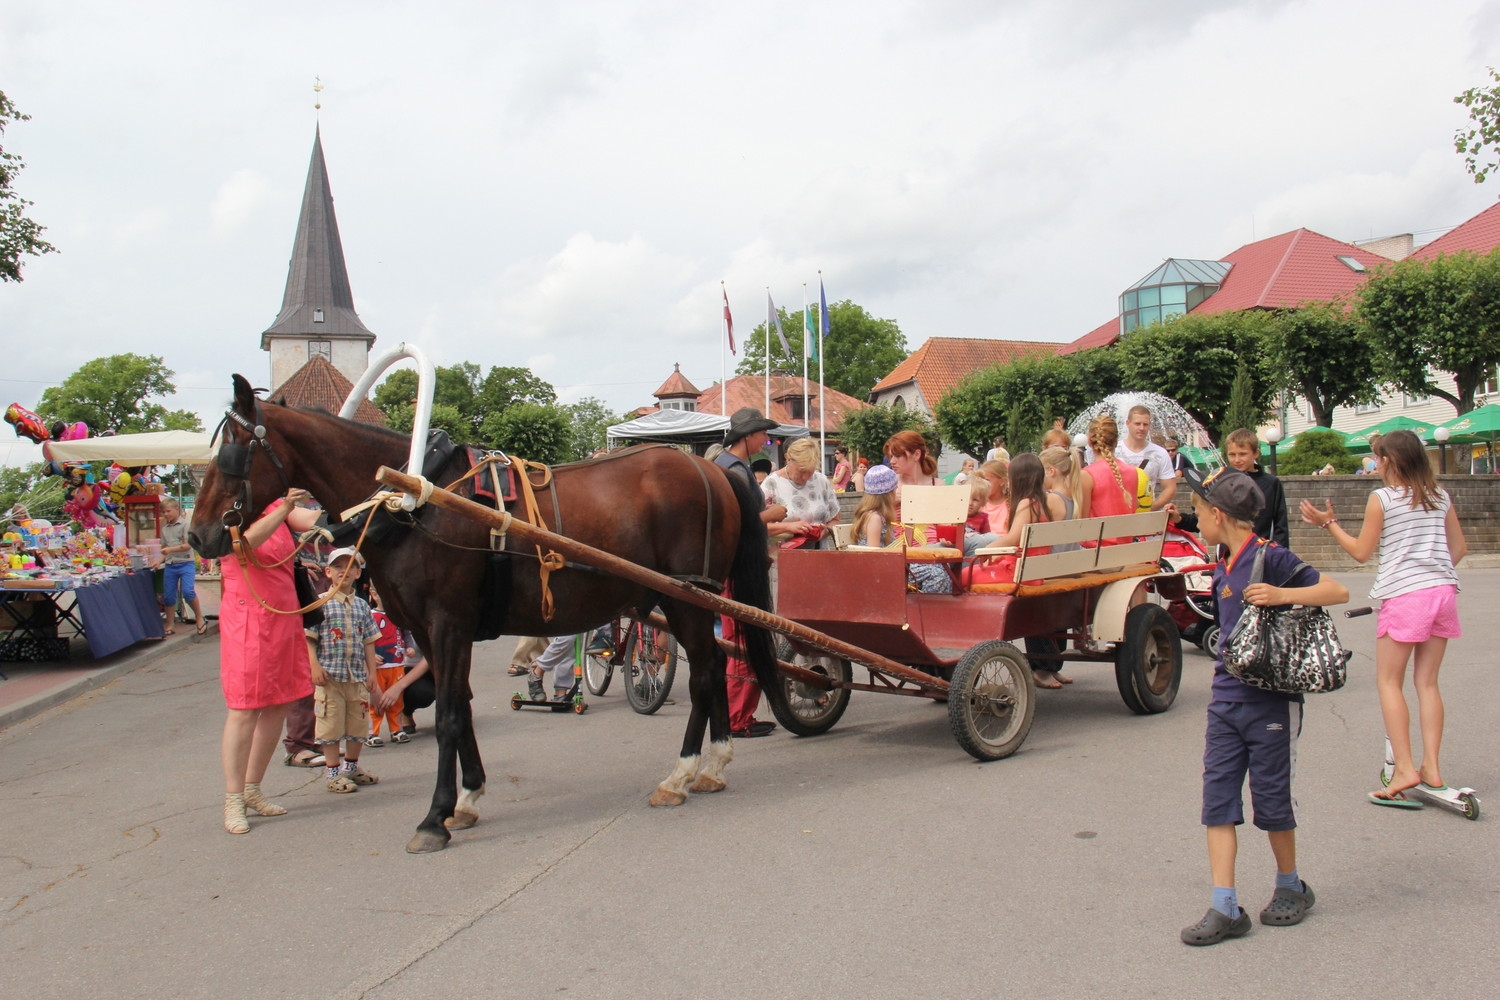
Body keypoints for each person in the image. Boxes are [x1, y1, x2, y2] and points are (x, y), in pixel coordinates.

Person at [1179, 467, 1348, 946]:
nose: (1196, 517)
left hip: (1271, 704)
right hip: (1225, 702)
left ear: (1219, 515)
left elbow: (1337, 590)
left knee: (1272, 802)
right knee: (1217, 802)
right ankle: (1224, 906)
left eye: (1199, 510)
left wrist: (1281, 594)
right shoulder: (1222, 561)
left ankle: (1291, 884)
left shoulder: (1268, 557)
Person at [1300, 429, 1468, 806]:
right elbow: (1458, 547)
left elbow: (1361, 552)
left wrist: (1328, 524)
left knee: (1389, 683)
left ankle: (1406, 768)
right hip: (1442, 592)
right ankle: (1433, 769)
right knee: (1427, 683)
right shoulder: (1440, 495)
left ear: (1389, 461)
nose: (1375, 464)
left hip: (1405, 595)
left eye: (1377, 457)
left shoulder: (1384, 498)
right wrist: (1431, 575)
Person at [218, 486, 321, 834]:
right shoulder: (230, 506)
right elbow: (243, 545)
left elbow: (308, 519)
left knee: (277, 704)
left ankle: (252, 788)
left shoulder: (276, 502)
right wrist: (284, 508)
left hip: (283, 614)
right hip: (247, 617)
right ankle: (233, 798)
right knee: (245, 708)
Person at [714, 407, 787, 738]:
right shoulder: (736, 472)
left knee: (739, 641)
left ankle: (736, 715)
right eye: (763, 434)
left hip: (734, 563)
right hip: (741, 566)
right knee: (744, 643)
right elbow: (740, 526)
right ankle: (737, 718)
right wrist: (772, 514)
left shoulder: (725, 465)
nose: (766, 440)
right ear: (747, 436)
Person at [306, 547, 382, 793]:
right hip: (330, 675)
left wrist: (372, 673)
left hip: (356, 676)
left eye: (350, 567)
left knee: (358, 724)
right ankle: (333, 771)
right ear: (328, 572)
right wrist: (314, 666)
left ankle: (352, 767)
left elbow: (369, 641)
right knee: (330, 724)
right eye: (338, 567)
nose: (344, 572)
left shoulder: (362, 607)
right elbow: (309, 638)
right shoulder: (320, 603)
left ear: (359, 573)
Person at [761, 437, 841, 547]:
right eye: (801, 471)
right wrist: (788, 527)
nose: (805, 477)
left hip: (818, 554)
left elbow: (835, 519)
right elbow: (756, 526)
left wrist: (825, 530)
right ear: (788, 459)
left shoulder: (821, 481)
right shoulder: (771, 484)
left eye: (810, 472)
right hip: (783, 556)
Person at [1223, 428, 1289, 546]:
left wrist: (1280, 557)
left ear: (1256, 453)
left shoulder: (1271, 483)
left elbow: (1280, 525)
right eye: (1232, 455)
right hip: (1229, 553)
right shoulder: (1222, 482)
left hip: (1260, 552)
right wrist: (1181, 519)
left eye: (1243, 454)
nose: (1237, 460)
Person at [366, 587, 414, 746]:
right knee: (376, 702)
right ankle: (373, 732)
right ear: (374, 594)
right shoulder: (370, 616)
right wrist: (370, 656)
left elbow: (406, 633)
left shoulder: (397, 616)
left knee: (396, 701)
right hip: (379, 667)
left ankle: (396, 728)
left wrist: (409, 646)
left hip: (397, 663)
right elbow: (364, 639)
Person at [1079, 414, 1143, 521]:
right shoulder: (1133, 471)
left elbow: (1083, 521)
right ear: (1116, 441)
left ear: (1089, 442)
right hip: (1126, 537)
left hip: (1097, 537)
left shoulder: (1086, 475)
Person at [157, 496, 205, 636]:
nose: (165, 514)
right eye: (163, 512)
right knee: (169, 596)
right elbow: (164, 549)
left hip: (186, 563)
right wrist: (158, 561)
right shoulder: (165, 528)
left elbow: (187, 545)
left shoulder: (185, 525)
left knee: (188, 592)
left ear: (176, 510)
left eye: (168, 511)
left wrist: (170, 550)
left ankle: (199, 617)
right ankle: (170, 623)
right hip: (171, 564)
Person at [1117, 405, 1176, 510]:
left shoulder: (1160, 453)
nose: (1141, 428)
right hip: (1117, 513)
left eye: (1145, 424)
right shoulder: (1114, 450)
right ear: (1128, 423)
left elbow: (1170, 487)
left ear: (1150, 425)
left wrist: (1150, 508)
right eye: (1137, 424)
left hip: (1147, 516)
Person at [849, 464, 899, 545]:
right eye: (894, 488)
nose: (897, 490)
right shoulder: (874, 518)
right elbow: (873, 555)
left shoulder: (879, 515)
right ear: (887, 494)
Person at [978, 460, 1009, 533]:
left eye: (987, 480)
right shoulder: (978, 505)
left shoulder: (1010, 505)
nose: (983, 484)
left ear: (1002, 481)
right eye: (981, 481)